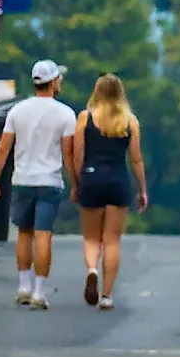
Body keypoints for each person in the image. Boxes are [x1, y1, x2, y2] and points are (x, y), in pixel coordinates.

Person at [0, 60, 78, 309]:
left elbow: (4, 147)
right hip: (49, 181)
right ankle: (40, 290)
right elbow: (69, 155)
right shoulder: (65, 114)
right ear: (54, 81)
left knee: (24, 233)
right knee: (43, 234)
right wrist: (75, 183)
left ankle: (23, 286)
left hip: (22, 179)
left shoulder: (18, 111)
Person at [67, 72, 148, 309]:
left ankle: (92, 270)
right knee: (112, 241)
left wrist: (77, 183)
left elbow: (77, 155)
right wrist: (142, 189)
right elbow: (136, 159)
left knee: (92, 238)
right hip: (118, 180)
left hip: (92, 178)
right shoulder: (130, 121)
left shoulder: (85, 118)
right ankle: (107, 295)